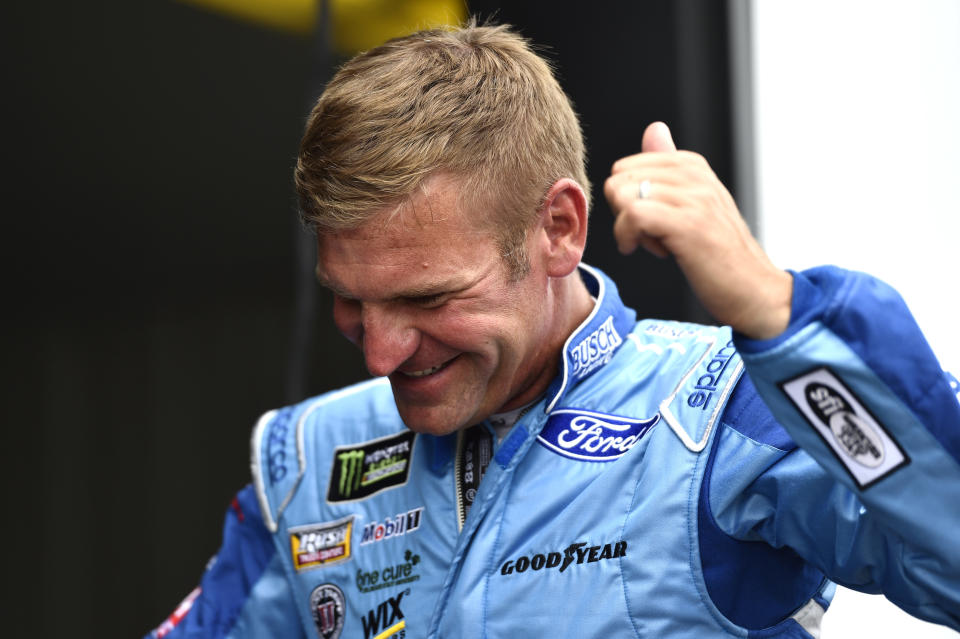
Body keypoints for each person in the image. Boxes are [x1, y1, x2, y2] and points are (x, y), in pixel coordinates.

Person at [147, 22, 960, 639]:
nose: (382, 351)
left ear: (560, 229)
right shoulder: (310, 460)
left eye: (429, 298)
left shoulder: (721, 414)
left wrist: (780, 315)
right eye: (353, 301)